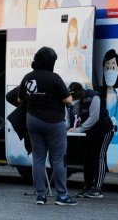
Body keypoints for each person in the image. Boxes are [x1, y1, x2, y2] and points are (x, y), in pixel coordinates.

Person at [18, 46, 77, 206]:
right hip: (54, 122)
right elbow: (68, 101)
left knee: (38, 158)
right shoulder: (54, 78)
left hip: (33, 121)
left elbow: (20, 100)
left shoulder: (28, 77)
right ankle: (62, 196)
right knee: (58, 159)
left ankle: (40, 196)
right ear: (51, 62)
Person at [67, 82, 114, 198]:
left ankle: (98, 189)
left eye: (74, 97)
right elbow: (75, 118)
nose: (72, 100)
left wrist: (79, 130)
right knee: (87, 158)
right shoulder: (75, 101)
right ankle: (87, 187)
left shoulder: (94, 97)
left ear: (79, 94)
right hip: (89, 132)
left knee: (100, 157)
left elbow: (94, 117)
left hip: (103, 130)